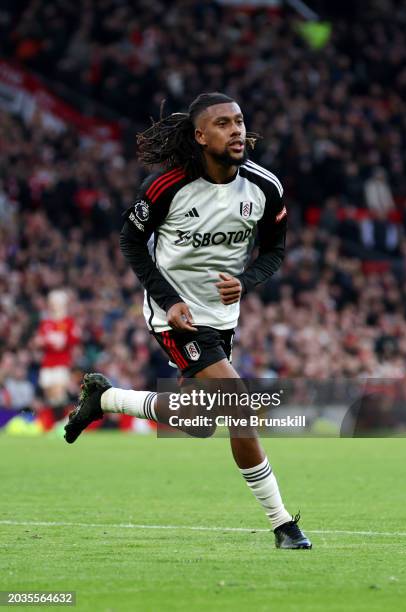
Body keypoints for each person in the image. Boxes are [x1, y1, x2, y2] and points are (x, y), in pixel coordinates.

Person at [64, 92, 312, 550]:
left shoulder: (265, 187)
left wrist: (248, 278)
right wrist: (169, 299)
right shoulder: (167, 187)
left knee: (196, 418)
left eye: (239, 121)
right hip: (174, 316)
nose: (236, 130)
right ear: (200, 136)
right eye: (222, 123)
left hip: (222, 317)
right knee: (239, 407)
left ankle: (107, 398)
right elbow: (131, 243)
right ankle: (283, 525)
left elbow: (275, 249)